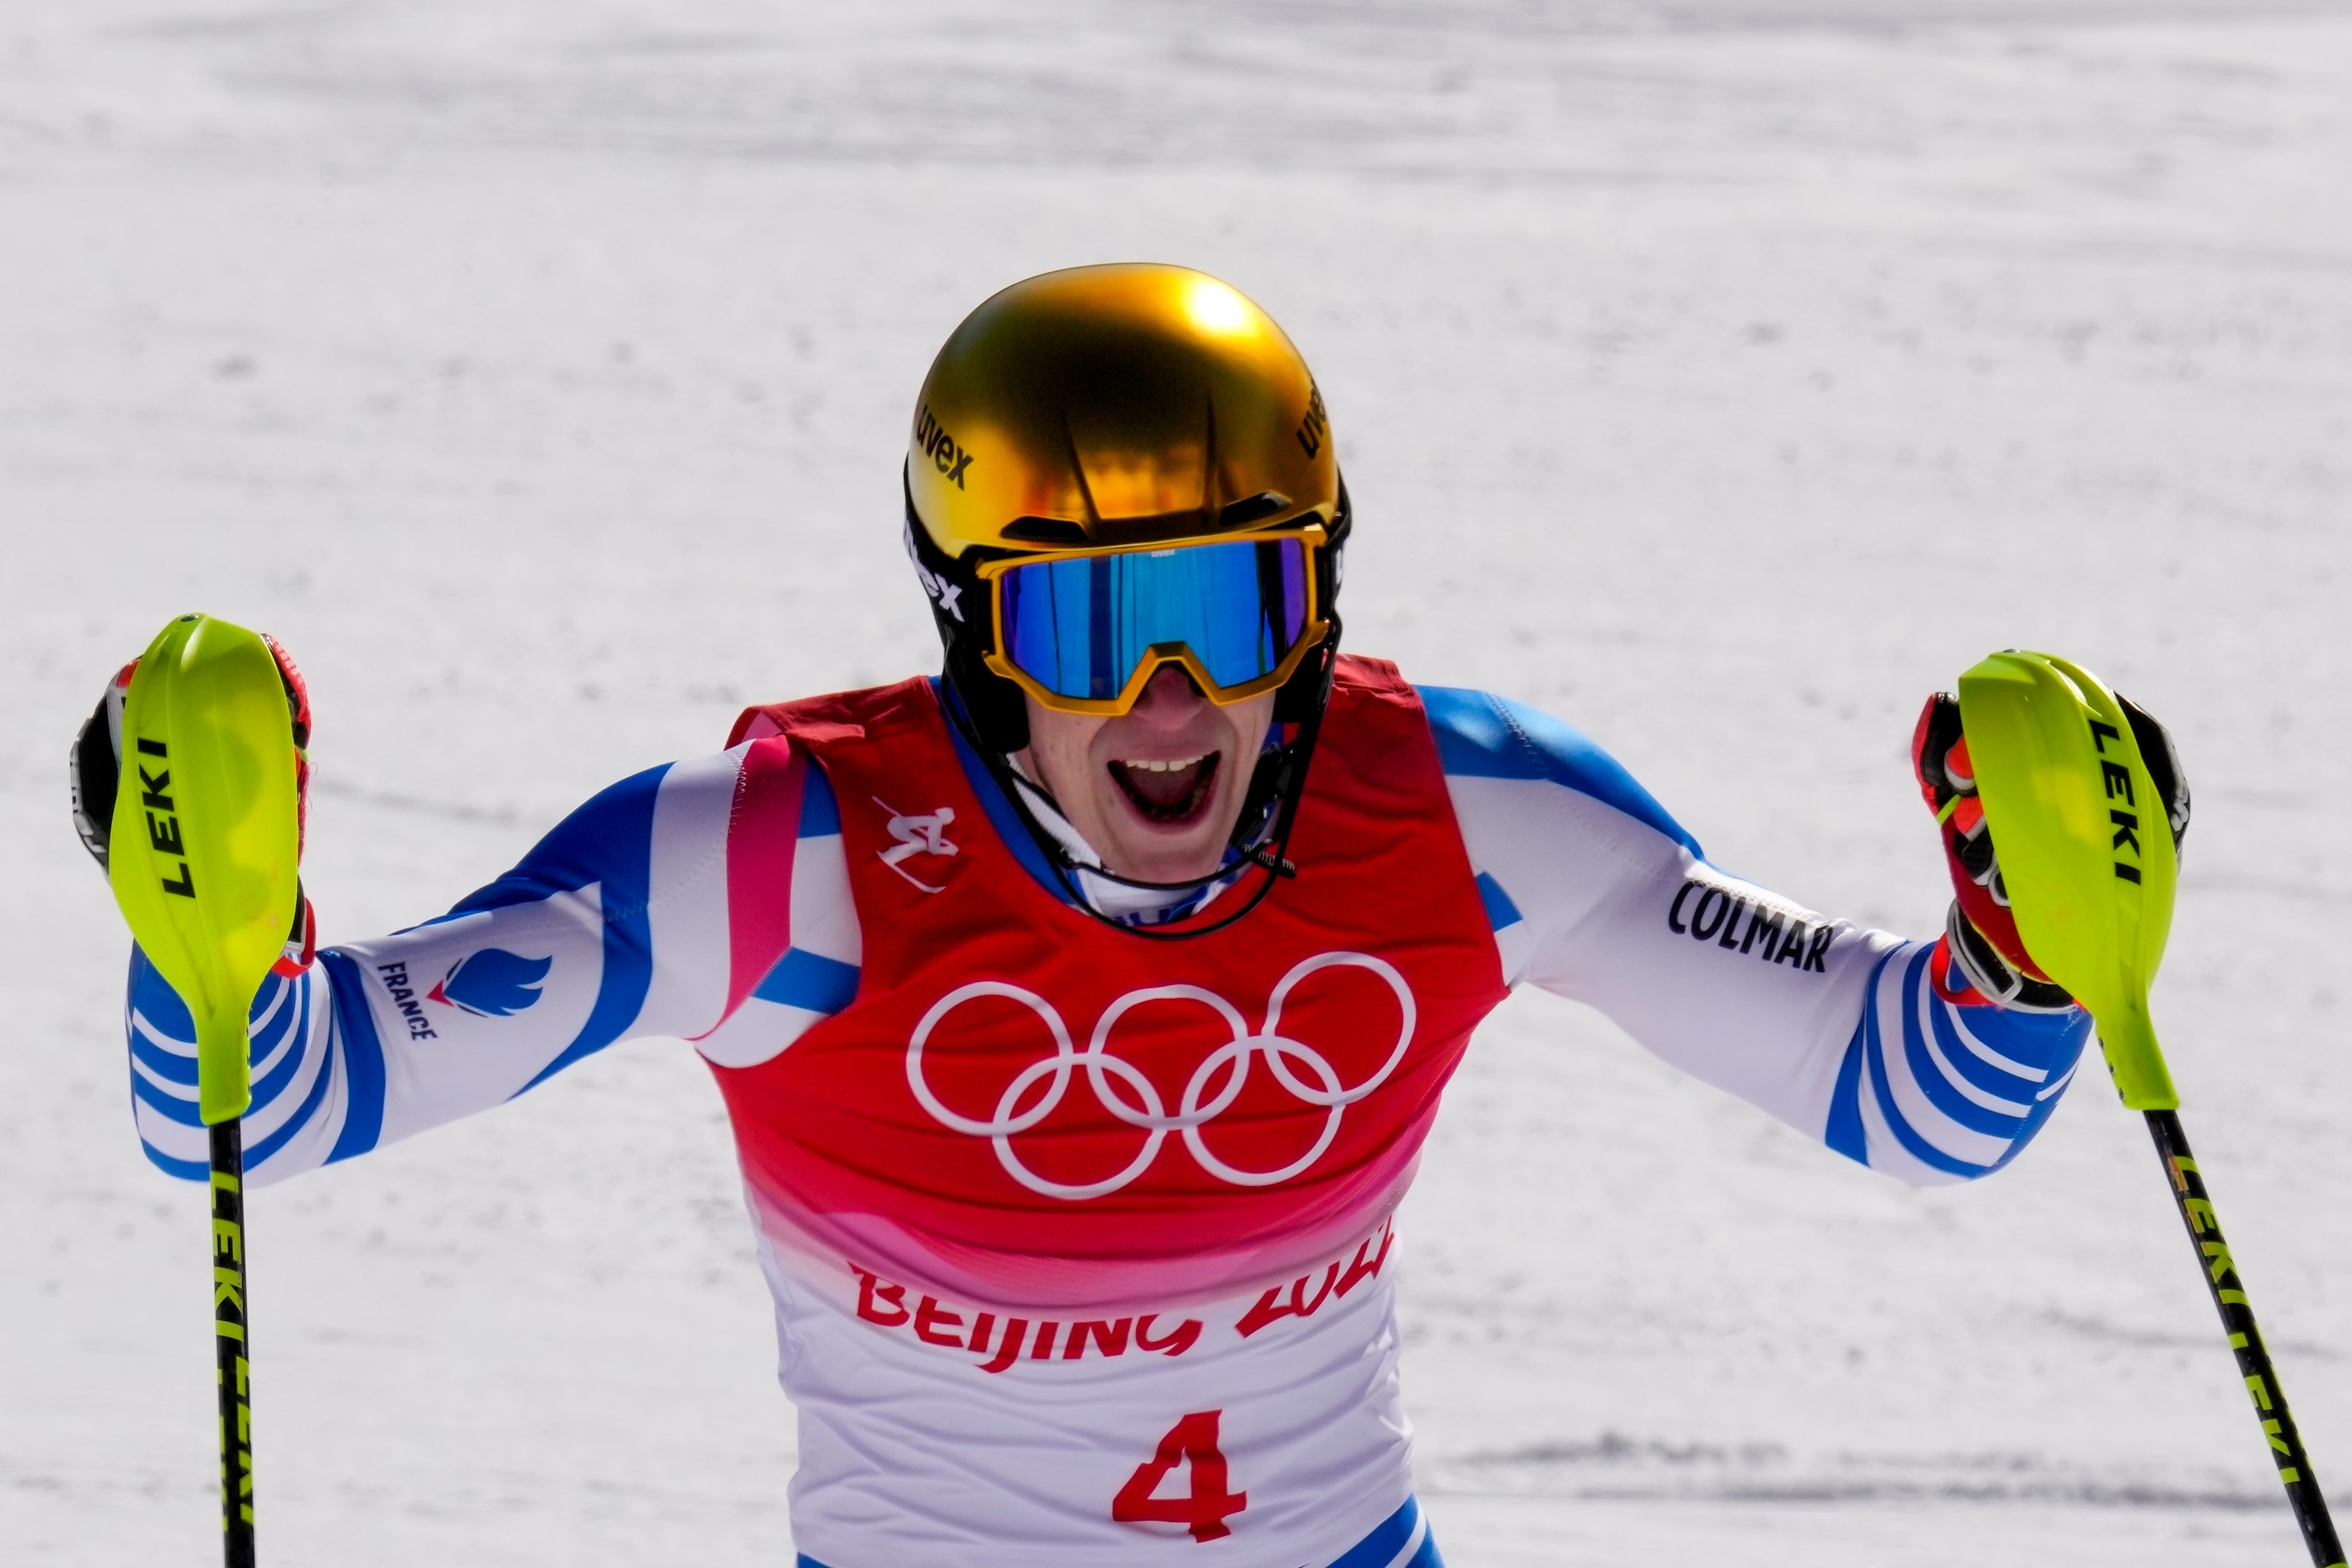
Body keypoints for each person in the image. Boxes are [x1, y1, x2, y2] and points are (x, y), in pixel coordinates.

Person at [70, 263, 2187, 1568]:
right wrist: (213, 913)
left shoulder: (1456, 814)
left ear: (1318, 604)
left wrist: (2025, 943)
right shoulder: (779, 858)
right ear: (979, 638)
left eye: (1225, 604)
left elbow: (1916, 1102)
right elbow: (258, 1110)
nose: (1168, 698)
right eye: (1091, 621)